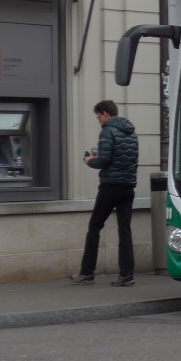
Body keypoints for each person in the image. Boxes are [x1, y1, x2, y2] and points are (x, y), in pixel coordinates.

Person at [70, 100, 139, 286]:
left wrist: (90, 160)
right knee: (125, 230)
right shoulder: (132, 134)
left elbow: (105, 161)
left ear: (106, 114)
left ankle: (86, 274)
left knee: (94, 227)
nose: (98, 120)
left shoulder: (107, 131)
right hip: (128, 187)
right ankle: (127, 275)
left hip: (110, 187)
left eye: (98, 116)